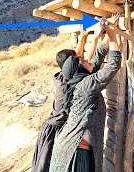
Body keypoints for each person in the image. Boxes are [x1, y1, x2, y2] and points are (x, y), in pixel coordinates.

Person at [49, 15, 121, 172]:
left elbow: (98, 57)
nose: (86, 60)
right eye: (82, 61)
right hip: (76, 151)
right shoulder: (85, 85)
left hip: (74, 147)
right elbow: (113, 65)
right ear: (79, 69)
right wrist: (113, 36)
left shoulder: (78, 80)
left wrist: (105, 34)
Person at [31, 26, 108, 172]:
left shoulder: (63, 76)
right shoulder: (70, 83)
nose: (82, 60)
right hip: (55, 129)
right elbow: (85, 63)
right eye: (78, 60)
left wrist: (84, 37)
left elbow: (79, 59)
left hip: (55, 125)